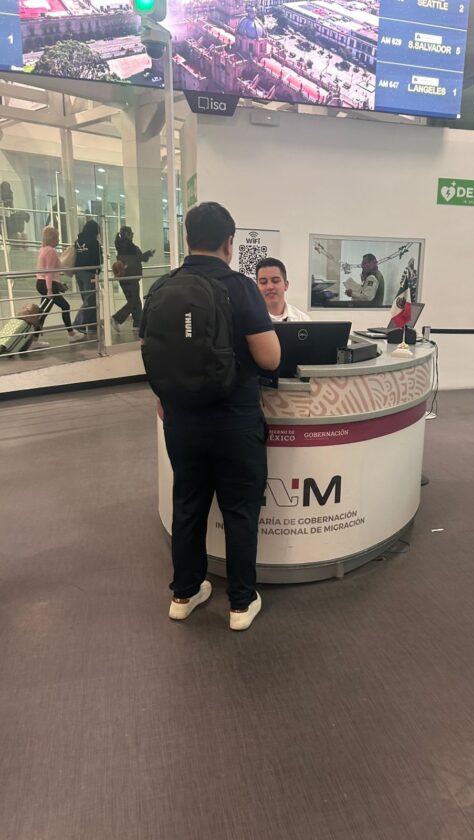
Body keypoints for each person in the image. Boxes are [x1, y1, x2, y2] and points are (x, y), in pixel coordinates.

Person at [140, 201, 281, 630]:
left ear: (187, 239)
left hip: (182, 421)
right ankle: (240, 603)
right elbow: (270, 358)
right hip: (234, 421)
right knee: (239, 511)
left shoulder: (162, 286)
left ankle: (184, 594)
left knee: (187, 505)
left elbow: (150, 352)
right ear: (229, 242)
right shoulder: (241, 288)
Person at [34, 226, 84, 348]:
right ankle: (71, 334)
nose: (58, 240)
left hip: (41, 282)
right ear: (51, 239)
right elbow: (49, 272)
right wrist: (50, 289)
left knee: (43, 312)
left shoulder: (43, 249)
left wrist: (58, 285)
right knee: (65, 306)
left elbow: (50, 271)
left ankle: (34, 339)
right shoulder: (51, 251)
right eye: (57, 237)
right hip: (47, 284)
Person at [111, 226, 155, 335]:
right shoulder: (132, 248)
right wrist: (149, 253)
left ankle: (138, 323)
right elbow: (141, 258)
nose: (133, 234)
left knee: (136, 301)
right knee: (133, 301)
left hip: (123, 278)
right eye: (131, 233)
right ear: (127, 235)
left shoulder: (119, 247)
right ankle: (117, 318)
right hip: (132, 278)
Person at [255, 257, 310, 322]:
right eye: (263, 282)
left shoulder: (303, 320)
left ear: (286, 285)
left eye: (275, 281)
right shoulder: (247, 321)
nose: (269, 287)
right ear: (256, 287)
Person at [73, 220, 102, 336]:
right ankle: (77, 325)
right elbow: (98, 259)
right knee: (90, 300)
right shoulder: (94, 243)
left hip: (78, 272)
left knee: (88, 299)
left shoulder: (78, 241)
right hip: (89, 273)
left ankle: (92, 325)